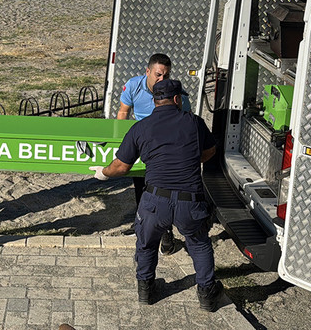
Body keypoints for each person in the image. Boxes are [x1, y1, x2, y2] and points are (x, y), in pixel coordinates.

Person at [90, 79, 224, 311]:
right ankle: (206, 295)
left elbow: (122, 166)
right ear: (176, 99)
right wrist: (192, 160)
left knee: (146, 244)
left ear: (155, 102)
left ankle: (146, 291)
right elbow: (210, 150)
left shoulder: (141, 128)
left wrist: (103, 173)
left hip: (155, 200)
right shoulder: (194, 123)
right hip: (189, 201)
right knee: (199, 244)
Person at [117, 53, 191, 254]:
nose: (161, 80)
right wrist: (125, 142)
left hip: (164, 146)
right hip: (141, 139)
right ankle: (142, 224)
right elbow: (123, 112)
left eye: (165, 76)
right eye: (158, 75)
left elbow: (184, 120)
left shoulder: (175, 93)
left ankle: (166, 232)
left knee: (160, 189)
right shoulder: (133, 86)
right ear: (147, 72)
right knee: (140, 186)